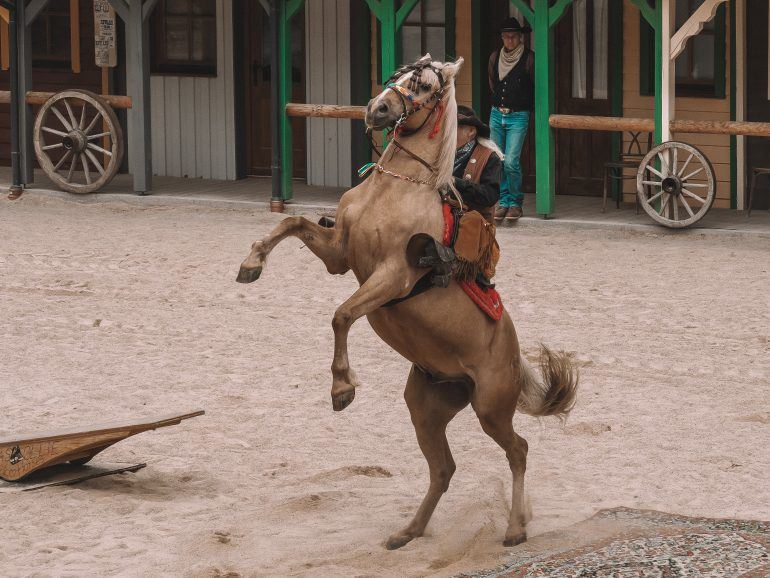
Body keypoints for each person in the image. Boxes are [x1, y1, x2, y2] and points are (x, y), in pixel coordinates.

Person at [488, 16, 534, 222]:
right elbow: (492, 83)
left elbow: (534, 87)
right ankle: (503, 201)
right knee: (498, 160)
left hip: (518, 115)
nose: (509, 41)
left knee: (512, 161)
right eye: (506, 37)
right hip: (497, 114)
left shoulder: (529, 58)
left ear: (520, 37)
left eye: (513, 37)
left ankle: (515, 202)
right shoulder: (495, 57)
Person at [453, 105, 504, 223]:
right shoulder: (439, 154)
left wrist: (455, 182)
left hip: (471, 228)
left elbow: (490, 197)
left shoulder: (489, 157)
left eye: (455, 127)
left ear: (471, 131)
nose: (448, 131)